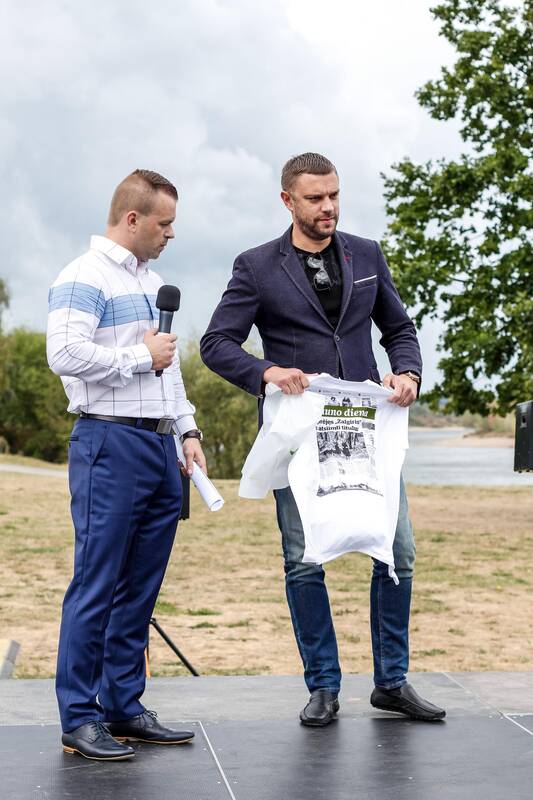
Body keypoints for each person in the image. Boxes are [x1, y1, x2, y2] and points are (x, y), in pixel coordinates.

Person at [200, 152, 445, 726]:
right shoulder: (256, 266)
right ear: (288, 201)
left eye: (334, 194)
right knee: (303, 560)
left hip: (367, 431)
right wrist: (266, 371)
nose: (328, 206)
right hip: (297, 436)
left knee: (398, 553)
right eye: (315, 198)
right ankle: (324, 687)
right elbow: (217, 344)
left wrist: (408, 372)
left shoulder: (367, 254)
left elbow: (399, 328)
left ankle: (391, 682)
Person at [47, 169, 207, 760]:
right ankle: (79, 716)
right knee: (97, 583)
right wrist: (139, 356)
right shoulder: (82, 276)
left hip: (160, 447)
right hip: (108, 443)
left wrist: (187, 430)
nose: (171, 234)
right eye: (164, 224)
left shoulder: (154, 282)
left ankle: (123, 705)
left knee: (140, 587)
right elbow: (63, 353)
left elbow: (170, 368)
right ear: (133, 219)